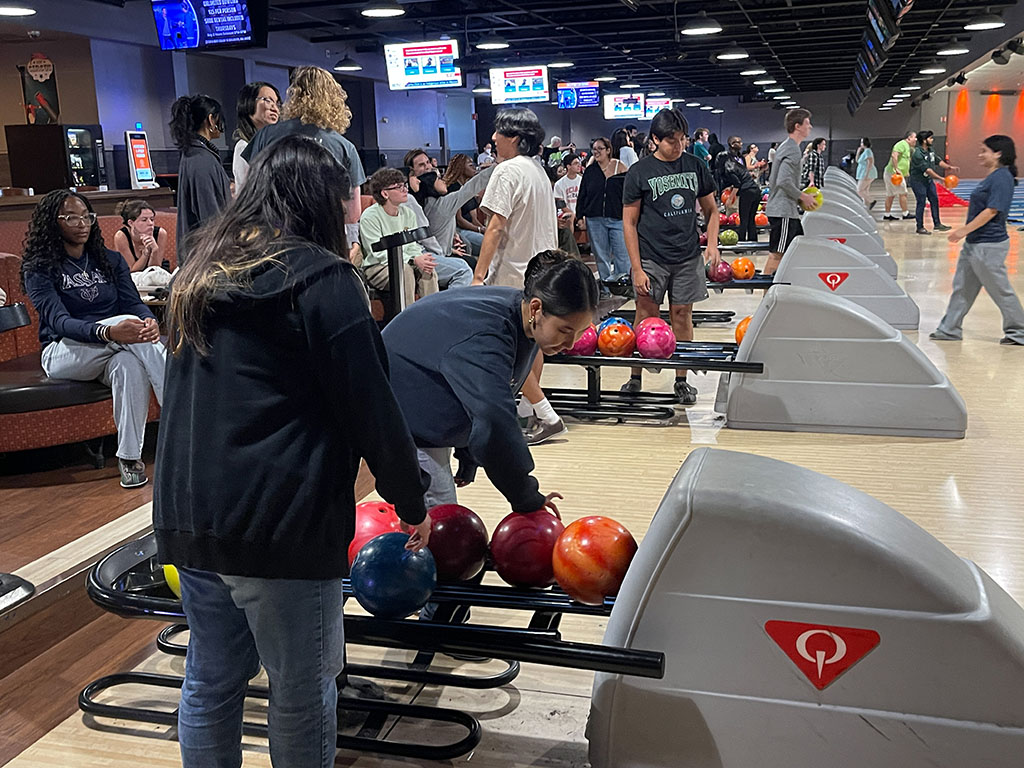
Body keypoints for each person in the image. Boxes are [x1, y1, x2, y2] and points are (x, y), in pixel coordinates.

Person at [154, 135, 431, 768]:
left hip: (189, 515)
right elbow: (371, 405)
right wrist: (408, 496)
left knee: (211, 682)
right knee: (302, 694)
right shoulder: (324, 278)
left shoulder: (199, 273)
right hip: (278, 519)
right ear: (326, 202)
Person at [383, 250, 595, 510]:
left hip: (422, 404)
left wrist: (467, 451)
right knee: (440, 523)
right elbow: (494, 420)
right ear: (537, 308)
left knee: (442, 522)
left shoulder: (521, 316)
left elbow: (479, 393)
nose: (571, 343)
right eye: (565, 330)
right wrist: (526, 497)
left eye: (581, 332)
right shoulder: (488, 334)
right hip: (395, 408)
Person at [21, 190, 165, 489]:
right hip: (64, 351)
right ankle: (181, 419)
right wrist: (108, 331)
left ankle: (129, 458)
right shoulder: (40, 269)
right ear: (52, 222)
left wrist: (148, 320)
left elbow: (132, 303)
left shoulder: (109, 260)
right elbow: (60, 322)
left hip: (114, 348)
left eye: (86, 216)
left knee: (128, 365)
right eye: (71, 217)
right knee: (122, 329)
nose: (82, 223)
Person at [475, 107, 561, 445]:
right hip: (544, 270)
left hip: (514, 274)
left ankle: (545, 414)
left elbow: (496, 226)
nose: (493, 139)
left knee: (507, 350)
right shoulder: (538, 171)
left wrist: (479, 276)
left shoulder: (506, 170)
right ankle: (525, 413)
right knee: (531, 344)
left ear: (514, 138)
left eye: (498, 133)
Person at [621, 108, 719, 405]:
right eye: (671, 141)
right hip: (652, 256)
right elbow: (629, 222)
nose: (678, 146)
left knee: (682, 316)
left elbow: (712, 210)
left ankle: (681, 380)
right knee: (646, 315)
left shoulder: (695, 166)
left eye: (682, 139)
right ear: (654, 140)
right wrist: (636, 269)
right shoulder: (640, 172)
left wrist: (712, 245)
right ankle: (635, 375)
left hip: (687, 255)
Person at [241, 66, 366, 250]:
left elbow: (247, 188)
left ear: (295, 96)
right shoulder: (344, 147)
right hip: (322, 242)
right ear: (333, 99)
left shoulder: (266, 135)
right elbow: (353, 213)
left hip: (271, 240)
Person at [930, 136, 1024, 345]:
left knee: (1000, 290)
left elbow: (992, 210)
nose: (980, 155)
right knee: (962, 287)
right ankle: (949, 329)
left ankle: (1019, 331)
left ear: (998, 153)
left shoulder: (1002, 177)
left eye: (984, 151)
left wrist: (962, 231)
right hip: (976, 243)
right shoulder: (994, 176)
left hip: (989, 245)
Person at [405, 147, 491, 280]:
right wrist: (499, 167)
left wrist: (451, 241)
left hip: (439, 251)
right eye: (422, 165)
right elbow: (472, 186)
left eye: (428, 162)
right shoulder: (429, 204)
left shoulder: (423, 199)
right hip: (430, 256)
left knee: (470, 261)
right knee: (467, 267)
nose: (428, 167)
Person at [358, 167, 439, 300]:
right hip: (378, 267)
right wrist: (412, 259)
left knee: (427, 269)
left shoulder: (408, 214)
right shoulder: (369, 217)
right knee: (404, 271)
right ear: (385, 193)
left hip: (406, 261)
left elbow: (412, 246)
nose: (405, 190)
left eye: (405, 185)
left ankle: (431, 316)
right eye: (399, 187)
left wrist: (420, 258)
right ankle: (407, 319)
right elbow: (378, 254)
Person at [169, 94, 231, 265]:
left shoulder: (194, 155)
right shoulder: (201, 160)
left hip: (199, 257)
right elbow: (211, 217)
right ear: (211, 120)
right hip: (207, 261)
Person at [764, 108, 821, 276]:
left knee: (798, 249)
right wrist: (803, 196)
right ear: (798, 126)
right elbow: (784, 181)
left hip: (789, 212)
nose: (810, 127)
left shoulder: (788, 146)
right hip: (783, 212)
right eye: (807, 123)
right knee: (777, 255)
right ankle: (767, 297)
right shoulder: (792, 149)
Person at [576, 136, 630, 292]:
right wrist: (580, 216)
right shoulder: (590, 171)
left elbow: (628, 194)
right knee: (601, 255)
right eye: (594, 149)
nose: (596, 152)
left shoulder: (620, 167)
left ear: (608, 150)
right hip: (595, 218)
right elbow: (583, 194)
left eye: (600, 149)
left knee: (622, 254)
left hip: (617, 217)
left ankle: (622, 287)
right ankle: (606, 287)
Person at [231, 81, 280, 191]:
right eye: (268, 100)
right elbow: (245, 194)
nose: (274, 108)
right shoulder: (243, 147)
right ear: (249, 103)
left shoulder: (276, 144)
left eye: (277, 103)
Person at [909, 130, 958, 235]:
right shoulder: (918, 154)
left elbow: (938, 161)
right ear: (924, 140)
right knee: (921, 202)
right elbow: (928, 170)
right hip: (918, 181)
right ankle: (920, 227)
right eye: (930, 138)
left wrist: (950, 167)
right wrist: (941, 178)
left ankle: (937, 224)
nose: (932, 140)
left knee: (934, 200)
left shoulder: (930, 150)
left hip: (928, 181)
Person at [719, 136, 761, 242]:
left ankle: (741, 243)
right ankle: (753, 243)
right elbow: (741, 179)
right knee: (751, 219)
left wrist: (730, 199)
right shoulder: (738, 164)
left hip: (748, 192)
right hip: (756, 190)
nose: (741, 144)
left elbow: (737, 183)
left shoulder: (729, 167)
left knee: (743, 219)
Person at [112, 199, 168, 273]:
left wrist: (154, 251)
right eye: (144, 220)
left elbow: (155, 271)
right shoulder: (121, 237)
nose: (150, 223)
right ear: (131, 223)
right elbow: (131, 271)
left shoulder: (161, 233)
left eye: (152, 219)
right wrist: (146, 253)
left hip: (156, 273)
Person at [883, 130, 917, 221]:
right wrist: (896, 168)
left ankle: (887, 215)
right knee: (903, 193)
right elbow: (894, 156)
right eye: (914, 137)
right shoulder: (902, 144)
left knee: (890, 195)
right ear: (909, 138)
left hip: (892, 173)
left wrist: (906, 172)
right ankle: (905, 213)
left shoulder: (907, 147)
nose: (916, 139)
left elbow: (905, 160)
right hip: (894, 174)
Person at [855, 137, 877, 208]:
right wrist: (858, 152)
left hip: (866, 173)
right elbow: (857, 160)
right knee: (865, 190)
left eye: (861, 142)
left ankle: (871, 201)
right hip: (863, 173)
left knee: (859, 190)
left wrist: (867, 174)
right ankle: (865, 206)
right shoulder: (865, 151)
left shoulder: (867, 151)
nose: (860, 144)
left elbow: (870, 162)